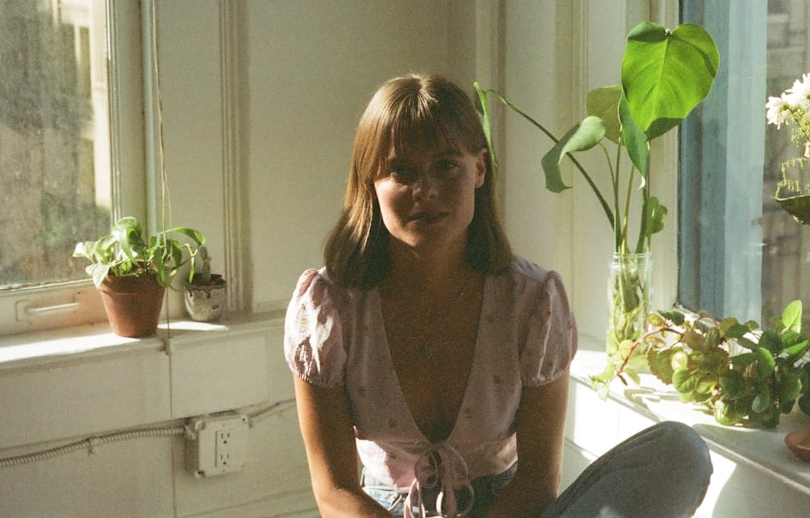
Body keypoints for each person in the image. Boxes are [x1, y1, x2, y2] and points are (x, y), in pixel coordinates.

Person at [284, 73, 712, 517]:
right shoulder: (329, 308)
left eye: (447, 165)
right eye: (402, 171)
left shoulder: (532, 302)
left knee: (680, 450)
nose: (426, 190)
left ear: (480, 170)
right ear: (370, 181)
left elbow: (537, 481)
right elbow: (334, 491)